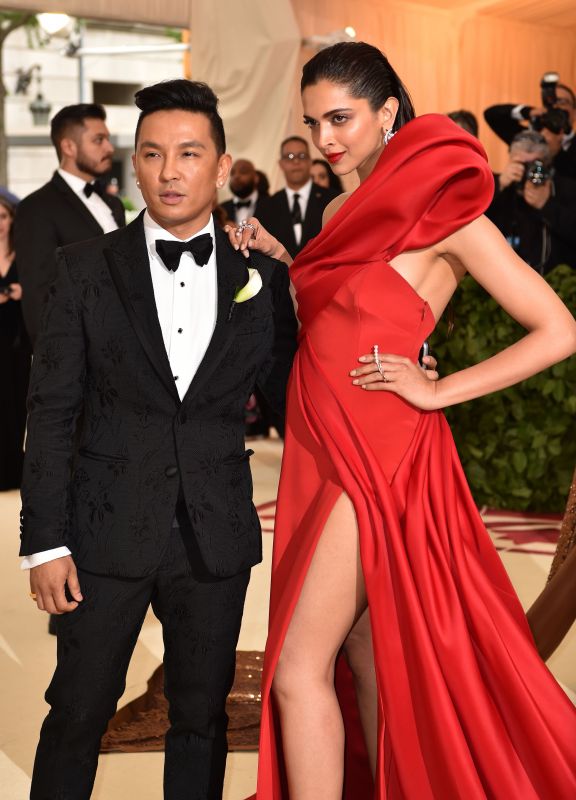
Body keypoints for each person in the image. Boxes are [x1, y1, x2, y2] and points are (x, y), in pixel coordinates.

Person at [231, 42, 576, 798]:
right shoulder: (332, 208)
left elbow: (558, 328)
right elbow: (344, 310)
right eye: (314, 121)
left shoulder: (445, 209)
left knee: (294, 669)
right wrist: (283, 258)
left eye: (343, 118)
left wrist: (438, 389)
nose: (325, 138)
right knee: (367, 652)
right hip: (316, 446)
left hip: (377, 453)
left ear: (388, 113)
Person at [19, 79, 297, 800]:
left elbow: (296, 395)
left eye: (188, 153)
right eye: (152, 154)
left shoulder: (258, 276)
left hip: (214, 539)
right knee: (76, 714)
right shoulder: (83, 268)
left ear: (220, 163)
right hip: (101, 536)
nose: (170, 170)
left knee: (201, 718)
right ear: (133, 167)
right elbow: (50, 411)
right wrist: (45, 541)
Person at [14, 103, 126, 347]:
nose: (109, 147)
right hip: (77, 354)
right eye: (99, 140)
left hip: (124, 348)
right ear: (68, 147)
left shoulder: (113, 204)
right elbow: (38, 297)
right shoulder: (36, 208)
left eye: (107, 139)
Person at [486, 130, 576, 273]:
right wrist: (499, 186)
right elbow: (476, 228)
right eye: (521, 163)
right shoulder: (497, 186)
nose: (528, 171)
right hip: (503, 280)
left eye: (535, 165)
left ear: (547, 164)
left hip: (556, 283)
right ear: (510, 161)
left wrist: (546, 205)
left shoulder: (566, 189)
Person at [258, 136, 339, 258]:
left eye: (301, 156)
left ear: (310, 162)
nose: (296, 162)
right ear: (281, 164)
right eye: (289, 157)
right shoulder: (265, 207)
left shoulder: (333, 200)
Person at [484, 83, 576, 180]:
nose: (556, 107)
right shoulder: (529, 138)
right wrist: (528, 112)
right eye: (551, 102)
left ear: (574, 112)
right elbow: (492, 115)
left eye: (562, 102)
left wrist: (555, 150)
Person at [0, 195, 30, 490]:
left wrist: (23, 293)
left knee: (17, 406)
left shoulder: (24, 255)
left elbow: (39, 292)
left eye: (3, 217)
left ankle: (13, 471)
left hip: (18, 344)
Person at [220, 158, 270, 225]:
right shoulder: (221, 209)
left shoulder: (273, 205)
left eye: (243, 172)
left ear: (256, 178)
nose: (236, 176)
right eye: (232, 173)